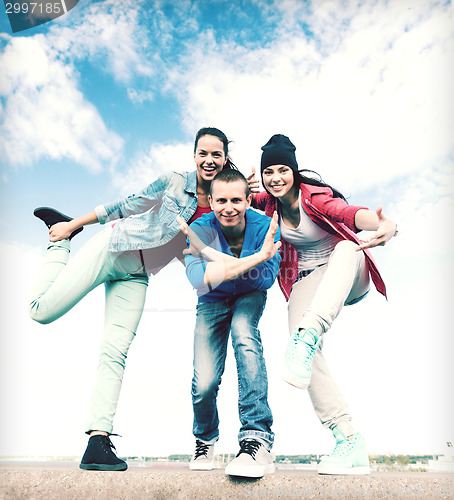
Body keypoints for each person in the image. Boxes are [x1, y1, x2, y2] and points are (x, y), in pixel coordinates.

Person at [28, 127, 236, 471]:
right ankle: (58, 244)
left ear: (225, 158)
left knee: (115, 352)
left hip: (136, 276)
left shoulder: (218, 208)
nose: (209, 160)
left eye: (216, 154)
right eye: (203, 153)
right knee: (40, 312)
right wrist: (73, 226)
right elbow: (127, 204)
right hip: (113, 247)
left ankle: (98, 440)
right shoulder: (173, 182)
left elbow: (203, 251)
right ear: (194, 154)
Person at [249, 134, 397, 475]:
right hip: (308, 279)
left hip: (349, 269)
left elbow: (347, 213)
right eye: (268, 171)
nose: (275, 178)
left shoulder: (313, 196)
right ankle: (348, 439)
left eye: (282, 169)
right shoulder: (266, 202)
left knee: (346, 248)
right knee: (301, 352)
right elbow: (230, 195)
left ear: (294, 171)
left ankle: (310, 331)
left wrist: (387, 225)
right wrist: (239, 181)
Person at [178, 168, 281, 478]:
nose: (229, 208)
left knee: (244, 335)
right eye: (221, 200)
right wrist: (255, 258)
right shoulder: (199, 228)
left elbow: (265, 279)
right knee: (204, 382)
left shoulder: (266, 227)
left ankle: (256, 439)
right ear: (211, 201)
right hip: (211, 301)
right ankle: (205, 439)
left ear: (248, 200)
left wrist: (214, 258)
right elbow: (199, 280)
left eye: (237, 200)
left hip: (250, 295)